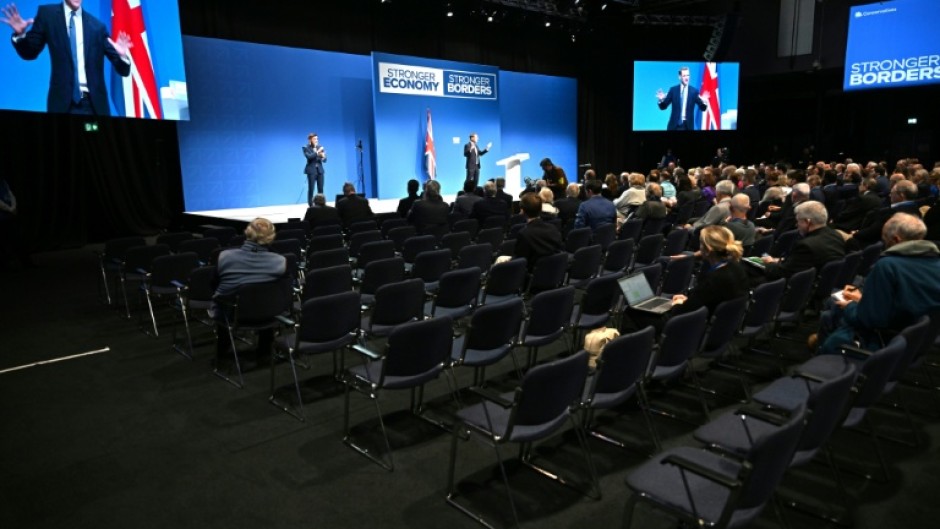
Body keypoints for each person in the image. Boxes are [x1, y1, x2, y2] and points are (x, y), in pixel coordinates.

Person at [817, 213, 940, 355]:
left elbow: (870, 320)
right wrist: (863, 300)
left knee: (832, 309)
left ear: (896, 240)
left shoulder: (888, 265)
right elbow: (907, 301)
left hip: (882, 341)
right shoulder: (936, 262)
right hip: (917, 338)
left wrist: (850, 306)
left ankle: (821, 365)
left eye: (884, 240)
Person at [2, 0, 132, 115]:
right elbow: (30, 52)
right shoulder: (48, 15)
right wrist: (20, 34)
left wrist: (122, 55)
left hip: (93, 106)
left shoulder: (97, 27)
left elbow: (123, 70)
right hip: (62, 104)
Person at [211, 218, 287, 365]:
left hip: (233, 315)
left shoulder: (225, 256)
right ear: (271, 237)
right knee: (265, 295)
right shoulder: (280, 262)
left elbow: (214, 284)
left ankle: (222, 353)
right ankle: (264, 352)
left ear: (247, 232)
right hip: (269, 313)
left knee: (224, 301)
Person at [671, 225, 748, 316]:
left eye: (701, 244)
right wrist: (689, 299)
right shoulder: (736, 267)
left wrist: (677, 304)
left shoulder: (714, 280)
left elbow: (680, 312)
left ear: (708, 250)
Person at [760, 201, 845, 280]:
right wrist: (780, 260)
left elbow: (782, 273)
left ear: (807, 222)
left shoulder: (806, 245)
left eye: (798, 221)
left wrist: (770, 263)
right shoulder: (836, 235)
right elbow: (803, 262)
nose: (797, 225)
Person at [512, 192, 562, 272]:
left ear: (522, 211)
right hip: (552, 272)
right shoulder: (553, 228)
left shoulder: (524, 233)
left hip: (531, 274)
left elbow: (520, 260)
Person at [656, 66, 708, 131]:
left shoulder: (694, 91)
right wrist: (661, 100)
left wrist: (705, 102)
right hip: (674, 126)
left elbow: (702, 108)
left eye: (688, 75)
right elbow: (663, 107)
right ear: (679, 77)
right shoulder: (673, 90)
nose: (687, 78)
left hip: (688, 126)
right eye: (684, 76)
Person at [303, 133, 326, 206]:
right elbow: (309, 157)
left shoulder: (320, 147)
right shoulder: (305, 147)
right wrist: (317, 152)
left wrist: (323, 157)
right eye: (314, 139)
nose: (316, 140)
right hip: (311, 170)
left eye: (317, 139)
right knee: (311, 189)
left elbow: (325, 160)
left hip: (320, 170)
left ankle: (321, 205)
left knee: (321, 189)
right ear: (310, 139)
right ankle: (311, 205)